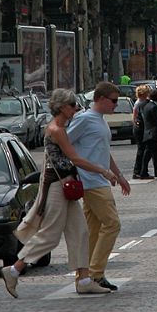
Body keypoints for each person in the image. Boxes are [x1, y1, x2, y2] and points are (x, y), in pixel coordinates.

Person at [1, 89, 114, 297]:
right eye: (72, 105)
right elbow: (75, 158)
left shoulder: (62, 127)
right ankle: (14, 270)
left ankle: (84, 280)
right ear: (62, 108)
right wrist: (103, 171)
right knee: (50, 235)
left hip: (66, 185)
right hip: (57, 186)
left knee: (80, 231)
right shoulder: (56, 130)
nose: (76, 109)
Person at [68, 81, 131, 291]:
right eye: (113, 101)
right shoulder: (84, 119)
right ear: (101, 99)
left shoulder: (101, 120)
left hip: (99, 179)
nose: (116, 105)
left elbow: (103, 151)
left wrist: (119, 176)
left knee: (93, 231)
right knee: (112, 224)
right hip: (91, 181)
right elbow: (64, 143)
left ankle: (83, 278)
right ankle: (94, 274)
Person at [131, 85, 152, 179]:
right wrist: (137, 124)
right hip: (139, 129)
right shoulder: (139, 103)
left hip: (141, 128)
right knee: (141, 150)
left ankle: (141, 170)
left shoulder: (142, 102)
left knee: (143, 150)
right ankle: (137, 171)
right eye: (147, 93)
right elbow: (135, 117)